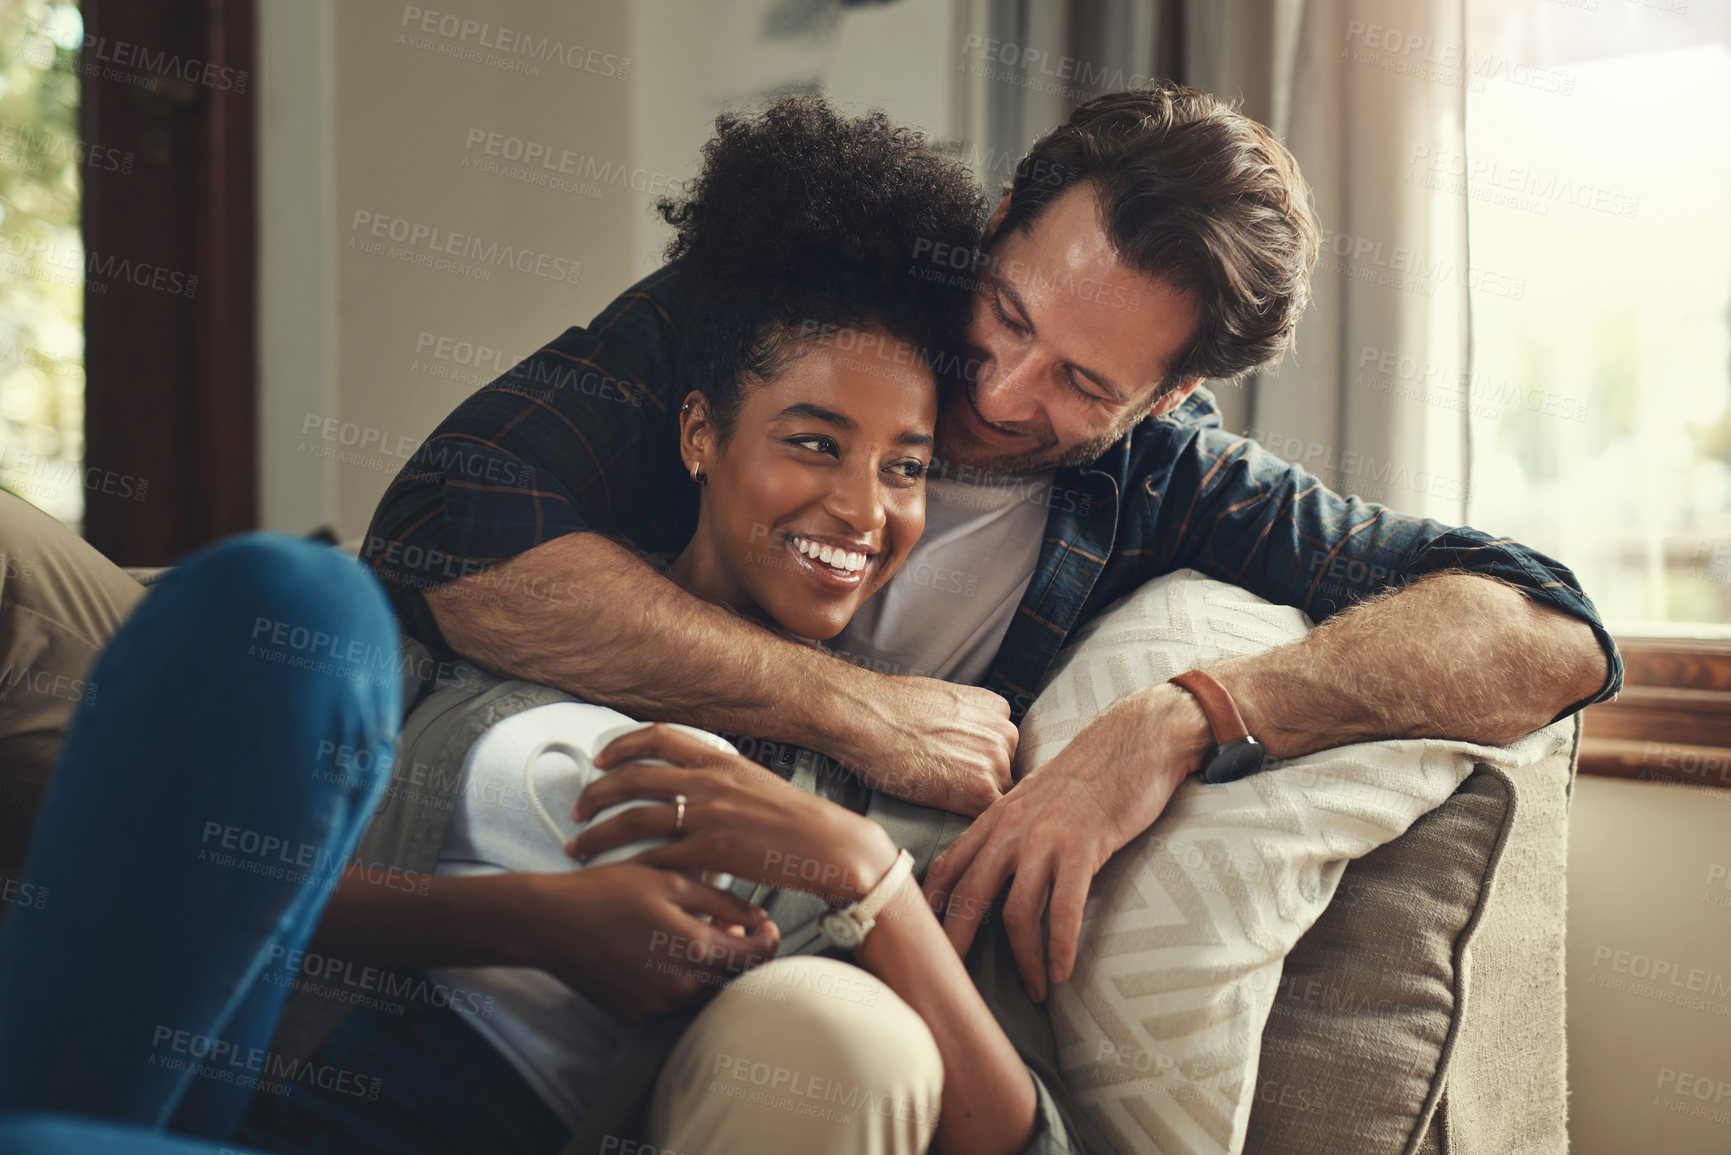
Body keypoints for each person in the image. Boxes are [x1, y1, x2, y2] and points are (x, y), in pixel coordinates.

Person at [357, 79, 1622, 1010]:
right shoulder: (786, 291)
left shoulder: (1174, 485)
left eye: (1083, 382)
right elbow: (442, 534)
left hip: (752, 959)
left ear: (1168, 399)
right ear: (1004, 213)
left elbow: (1546, 626)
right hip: (477, 813)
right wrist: (862, 711)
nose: (1005, 391)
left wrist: (1181, 719)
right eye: (1006, 310)